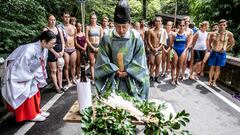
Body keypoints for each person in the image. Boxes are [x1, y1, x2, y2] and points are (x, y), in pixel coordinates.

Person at [94, 0, 149, 99]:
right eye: (118, 26)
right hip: (112, 78)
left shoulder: (136, 37)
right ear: (114, 24)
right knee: (112, 105)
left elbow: (140, 59)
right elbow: (102, 59)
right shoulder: (107, 38)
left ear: (130, 23)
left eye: (124, 26)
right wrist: (114, 70)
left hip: (131, 78)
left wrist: (129, 71)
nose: (121, 30)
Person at [1, 31, 56, 122]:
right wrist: (30, 76)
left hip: (30, 73)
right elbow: (19, 65)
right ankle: (31, 115)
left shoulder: (45, 49)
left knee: (35, 91)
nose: (53, 45)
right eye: (52, 43)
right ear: (43, 41)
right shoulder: (29, 49)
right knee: (27, 93)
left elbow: (40, 64)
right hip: (19, 73)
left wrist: (39, 76)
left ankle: (37, 111)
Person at [208, 19, 235, 86]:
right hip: (214, 52)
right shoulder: (213, 34)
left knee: (218, 68)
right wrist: (211, 49)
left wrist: (226, 49)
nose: (222, 26)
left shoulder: (229, 34)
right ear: (219, 25)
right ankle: (210, 80)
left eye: (224, 25)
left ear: (226, 26)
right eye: (221, 25)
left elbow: (232, 43)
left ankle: (214, 82)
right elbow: (209, 43)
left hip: (222, 53)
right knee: (212, 67)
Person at [43, 14, 65, 94]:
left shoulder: (58, 28)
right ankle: (56, 87)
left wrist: (62, 51)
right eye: (51, 19)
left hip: (60, 52)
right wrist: (55, 53)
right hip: (51, 52)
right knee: (53, 70)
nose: (52, 21)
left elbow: (62, 41)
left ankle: (61, 86)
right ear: (48, 20)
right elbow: (46, 43)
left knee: (60, 69)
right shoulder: (45, 30)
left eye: (54, 20)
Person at [59, 11, 77, 89]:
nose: (67, 18)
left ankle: (73, 79)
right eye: (65, 17)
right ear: (62, 17)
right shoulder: (60, 28)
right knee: (66, 66)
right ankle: (68, 81)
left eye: (68, 17)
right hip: (65, 49)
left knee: (73, 65)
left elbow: (75, 39)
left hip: (73, 48)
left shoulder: (73, 27)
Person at [170, 21, 191, 85]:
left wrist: (185, 49)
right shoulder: (174, 34)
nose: (181, 27)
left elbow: (188, 43)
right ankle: (172, 79)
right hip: (175, 50)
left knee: (180, 66)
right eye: (180, 25)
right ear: (178, 26)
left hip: (183, 51)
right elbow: (170, 44)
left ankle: (177, 79)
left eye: (183, 25)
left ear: (185, 26)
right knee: (174, 65)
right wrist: (172, 50)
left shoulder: (186, 34)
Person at [148, 16, 167, 83]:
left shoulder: (163, 31)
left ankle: (156, 77)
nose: (158, 22)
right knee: (152, 63)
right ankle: (151, 76)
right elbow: (149, 41)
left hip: (159, 51)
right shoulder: (150, 31)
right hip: (152, 50)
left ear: (161, 22)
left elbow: (163, 42)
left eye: (159, 21)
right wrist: (152, 48)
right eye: (156, 21)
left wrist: (158, 48)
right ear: (154, 22)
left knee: (158, 64)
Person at [86, 12, 103, 85]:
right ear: (90, 19)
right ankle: (93, 79)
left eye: (94, 18)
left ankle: (98, 77)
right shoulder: (88, 27)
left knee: (98, 63)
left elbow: (102, 38)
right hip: (91, 46)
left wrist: (99, 47)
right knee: (92, 63)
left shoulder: (100, 28)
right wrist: (92, 47)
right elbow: (86, 38)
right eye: (92, 18)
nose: (93, 20)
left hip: (98, 46)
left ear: (96, 19)